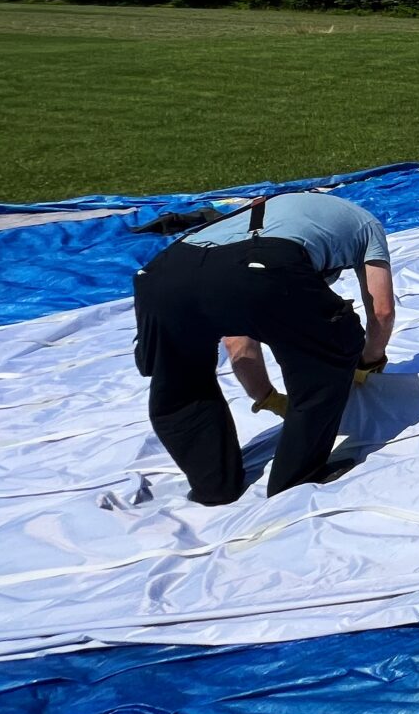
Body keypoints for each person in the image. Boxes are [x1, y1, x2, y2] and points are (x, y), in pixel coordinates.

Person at [131, 191, 395, 505]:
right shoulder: (365, 223)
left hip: (163, 275)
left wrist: (265, 395)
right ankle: (296, 478)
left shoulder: (257, 211)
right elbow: (381, 311)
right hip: (264, 265)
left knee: (180, 384)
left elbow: (238, 339)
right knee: (331, 351)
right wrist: (367, 360)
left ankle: (213, 486)